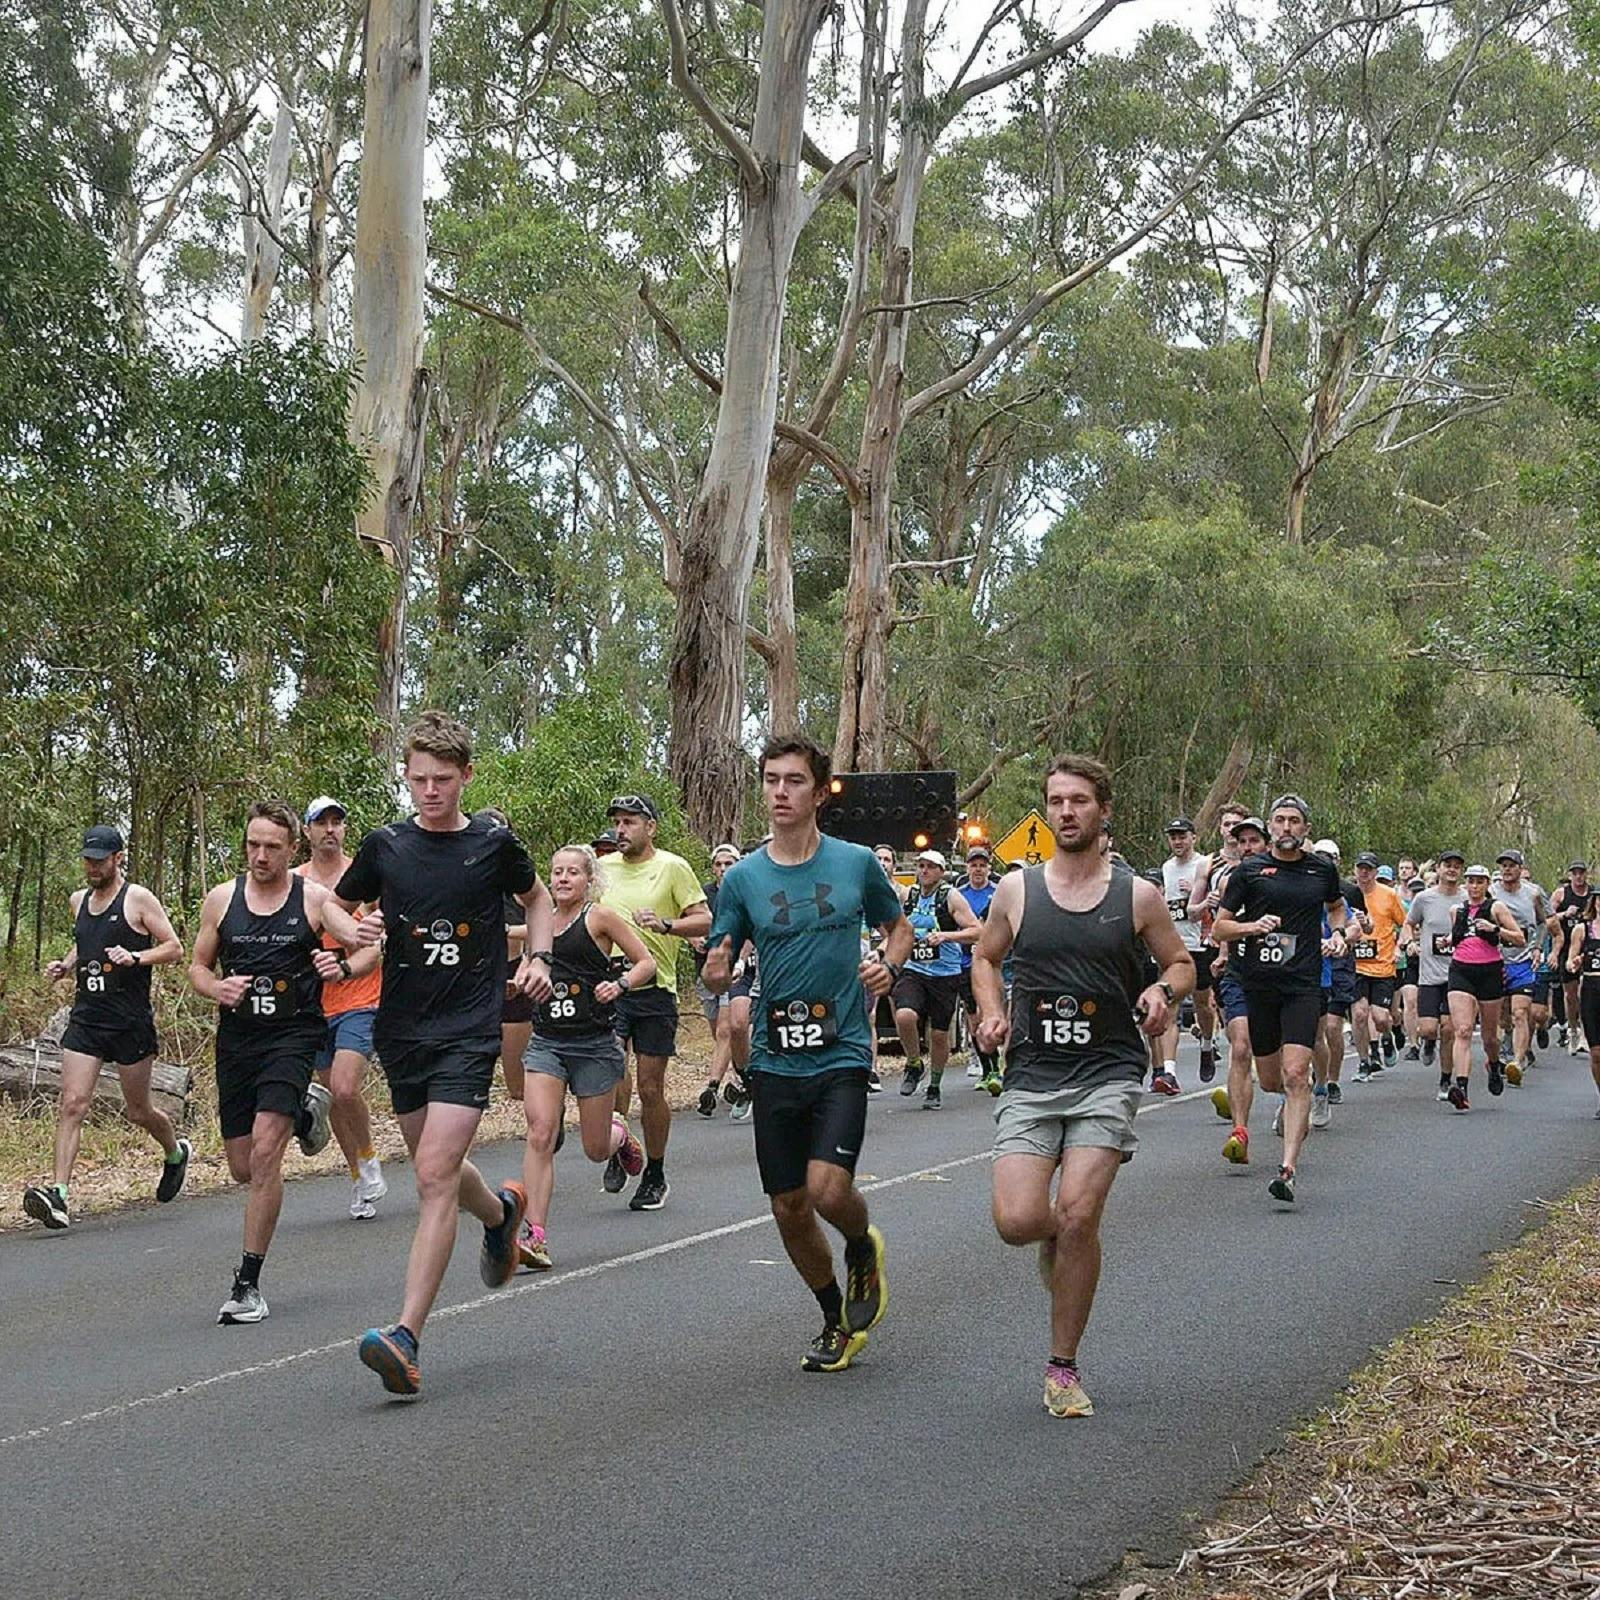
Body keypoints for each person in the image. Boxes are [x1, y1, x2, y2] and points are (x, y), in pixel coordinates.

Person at [321, 711, 555, 1396]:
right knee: (443, 1170)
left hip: (468, 1027)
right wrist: (357, 930)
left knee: (430, 1175)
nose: (430, 791)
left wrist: (538, 956)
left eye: (443, 780)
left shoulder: (492, 843)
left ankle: (405, 1335)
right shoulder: (385, 847)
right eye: (419, 778)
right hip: (401, 1028)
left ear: (467, 776)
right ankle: (500, 1216)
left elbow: (536, 898)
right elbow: (339, 910)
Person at [975, 754, 1193, 1418]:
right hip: (1033, 1073)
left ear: (1103, 811)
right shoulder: (1018, 890)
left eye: (1078, 801)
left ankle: (1062, 1369)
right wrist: (990, 1011)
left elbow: (1181, 962)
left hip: (1108, 1072)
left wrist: (1160, 989)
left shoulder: (1136, 896)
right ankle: (1060, 1244)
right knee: (1018, 1220)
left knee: (1078, 1214)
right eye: (1056, 801)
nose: (1066, 811)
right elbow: (986, 957)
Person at [704, 733, 911, 1373]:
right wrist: (715, 968)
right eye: (771, 780)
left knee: (827, 1189)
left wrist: (887, 965)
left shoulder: (854, 864)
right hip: (772, 1057)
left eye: (794, 781)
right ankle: (832, 1319)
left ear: (820, 792)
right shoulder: (742, 878)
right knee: (788, 1206)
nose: (779, 792)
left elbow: (896, 926)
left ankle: (859, 1242)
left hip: (843, 1049)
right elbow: (720, 959)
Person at [188, 802, 338, 1324]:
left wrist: (340, 961)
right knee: (243, 1166)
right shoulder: (222, 900)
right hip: (239, 1041)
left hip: (294, 1036)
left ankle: (248, 1284)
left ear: (291, 849)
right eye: (253, 844)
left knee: (268, 1151)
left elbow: (364, 949)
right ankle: (303, 1112)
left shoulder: (314, 899)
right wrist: (217, 987)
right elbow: (198, 968)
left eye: (272, 846)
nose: (261, 855)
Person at [26, 826, 189, 1231]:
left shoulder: (137, 899)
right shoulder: (78, 901)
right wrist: (66, 965)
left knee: (138, 1111)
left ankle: (174, 1152)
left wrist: (135, 956)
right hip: (87, 1018)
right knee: (73, 1103)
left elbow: (174, 948)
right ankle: (59, 1196)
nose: (93, 866)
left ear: (118, 858)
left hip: (129, 1021)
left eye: (100, 859)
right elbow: (87, 942)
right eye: (88, 859)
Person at [518, 845, 655, 1269]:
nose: (562, 879)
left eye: (572, 873)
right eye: (556, 872)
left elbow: (645, 963)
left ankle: (619, 1136)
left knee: (595, 1150)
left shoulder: (599, 917)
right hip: (547, 1042)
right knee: (541, 1131)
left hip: (594, 1043)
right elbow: (520, 950)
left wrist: (621, 985)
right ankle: (535, 1234)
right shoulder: (537, 921)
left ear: (588, 879)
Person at [1212, 795, 1349, 1205]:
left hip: (1302, 985)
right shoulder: (1249, 872)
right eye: (1280, 820)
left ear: (1306, 829)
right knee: (1271, 1078)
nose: (1286, 827)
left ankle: (1287, 1170)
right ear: (1271, 827)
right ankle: (1289, 1106)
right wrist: (1252, 926)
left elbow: (1337, 907)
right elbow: (1220, 927)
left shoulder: (1321, 869)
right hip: (1260, 985)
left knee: (1295, 1074)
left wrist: (1338, 933)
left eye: (1294, 821)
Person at [598, 794, 711, 1211]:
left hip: (655, 989)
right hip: (607, 985)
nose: (621, 830)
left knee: (650, 1086)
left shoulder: (672, 867)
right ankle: (618, 1141)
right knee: (610, 1069)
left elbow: (704, 919)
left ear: (651, 827)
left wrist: (666, 925)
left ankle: (656, 1172)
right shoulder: (602, 869)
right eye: (617, 823)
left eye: (630, 822)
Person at [296, 797, 387, 1220]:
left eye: (338, 821)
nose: (330, 829)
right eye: (322, 823)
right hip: (313, 1007)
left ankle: (368, 1158)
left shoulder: (362, 879)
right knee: (331, 1095)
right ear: (307, 832)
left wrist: (348, 967)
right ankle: (358, 1178)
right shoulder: (296, 883)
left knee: (347, 1087)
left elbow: (379, 944)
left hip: (360, 997)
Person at [892, 850, 980, 1108]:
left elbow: (977, 931)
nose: (924, 871)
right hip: (914, 969)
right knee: (904, 1015)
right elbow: (894, 925)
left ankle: (934, 1086)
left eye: (931, 866)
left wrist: (946, 937)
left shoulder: (951, 897)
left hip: (945, 974)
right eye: (920, 866)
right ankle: (914, 1063)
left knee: (939, 1035)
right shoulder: (909, 896)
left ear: (941, 871)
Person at [1209, 814, 1267, 1158]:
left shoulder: (1286, 879)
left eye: (1254, 841)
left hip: (1279, 978)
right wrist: (1223, 952)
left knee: (1274, 1072)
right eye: (1242, 841)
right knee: (1240, 1045)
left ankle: (1296, 1096)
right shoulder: (1229, 880)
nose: (1247, 847)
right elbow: (1222, 924)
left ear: (1266, 844)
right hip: (1239, 974)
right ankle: (1240, 1132)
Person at [1443, 865, 1524, 1109]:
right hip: (1461, 970)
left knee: (1490, 1037)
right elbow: (1456, 937)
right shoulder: (1457, 910)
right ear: (1465, 884)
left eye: (1480, 882)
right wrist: (1449, 939)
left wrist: (1495, 929)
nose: (1475, 886)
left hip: (1489, 972)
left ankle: (1493, 1063)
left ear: (1488, 884)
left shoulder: (1496, 907)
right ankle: (1461, 1087)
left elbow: (1519, 938)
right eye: (1471, 881)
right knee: (1464, 1030)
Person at [1159, 817, 1220, 1089]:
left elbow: (1220, 899)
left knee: (1202, 1004)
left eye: (1182, 836)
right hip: (1173, 945)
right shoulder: (1166, 867)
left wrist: (1199, 893)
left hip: (1201, 944)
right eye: (1173, 837)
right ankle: (1168, 1072)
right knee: (1170, 1005)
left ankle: (1207, 1044)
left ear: (1194, 837)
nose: (1177, 841)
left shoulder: (1204, 865)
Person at [1405, 851, 1466, 1097]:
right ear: (1438, 869)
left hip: (1457, 974)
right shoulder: (1424, 898)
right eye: (1447, 865)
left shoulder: (1466, 900)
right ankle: (1429, 1042)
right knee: (1429, 1028)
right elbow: (1409, 924)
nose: (1451, 870)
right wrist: (1409, 942)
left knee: (1449, 1029)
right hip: (1429, 975)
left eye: (1456, 866)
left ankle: (1445, 1079)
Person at [693, 844, 743, 1116]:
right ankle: (740, 1077)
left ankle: (711, 1089)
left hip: (734, 970)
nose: (723, 869)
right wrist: (694, 939)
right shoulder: (704, 894)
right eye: (719, 864)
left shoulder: (743, 890)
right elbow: (688, 922)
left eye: (729, 863)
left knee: (726, 1029)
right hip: (705, 971)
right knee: (718, 1032)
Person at [1349, 851, 1407, 1081]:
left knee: (1381, 1017)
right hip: (1355, 965)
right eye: (1360, 868)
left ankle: (1389, 1035)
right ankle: (1364, 1061)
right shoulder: (1347, 895)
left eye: (1369, 869)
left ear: (1375, 872)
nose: (1364, 872)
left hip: (1383, 964)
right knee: (1360, 1015)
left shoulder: (1388, 895)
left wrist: (1399, 946)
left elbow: (1406, 924)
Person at [1493, 849, 1547, 1083]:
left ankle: (1517, 1061)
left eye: (1511, 865)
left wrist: (1537, 947)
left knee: (1520, 1012)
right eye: (1503, 865)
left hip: (1523, 961)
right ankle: (1506, 1039)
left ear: (1520, 868)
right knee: (1503, 1015)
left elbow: (1544, 922)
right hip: (1496, 960)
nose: (1507, 869)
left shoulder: (1533, 893)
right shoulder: (1491, 892)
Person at [957, 844, 1004, 1094]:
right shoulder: (958, 894)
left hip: (992, 963)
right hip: (965, 963)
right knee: (974, 1018)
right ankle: (987, 1069)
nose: (978, 869)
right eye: (973, 865)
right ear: (967, 868)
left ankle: (1000, 1067)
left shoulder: (998, 893)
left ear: (989, 867)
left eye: (982, 865)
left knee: (993, 1013)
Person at [1548, 862, 1591, 1054]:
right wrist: (1565, 914)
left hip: (1588, 948)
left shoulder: (1592, 895)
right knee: (1571, 995)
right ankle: (1572, 1030)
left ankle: (1584, 1034)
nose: (1578, 877)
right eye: (1575, 873)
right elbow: (1547, 918)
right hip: (1566, 947)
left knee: (1585, 992)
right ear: (1570, 875)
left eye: (1581, 873)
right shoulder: (1561, 894)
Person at [1564, 902, 1600, 1116]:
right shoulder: (1582, 929)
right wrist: (1574, 963)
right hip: (1591, 991)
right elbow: (1570, 961)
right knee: (1596, 1053)